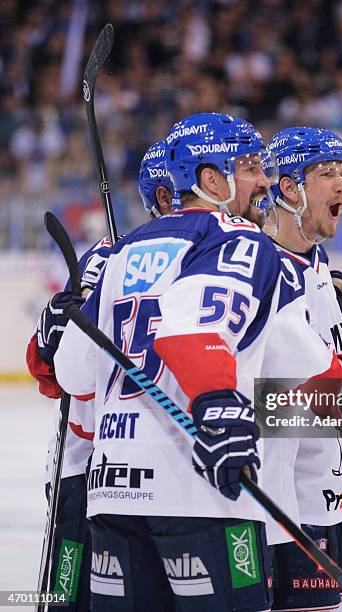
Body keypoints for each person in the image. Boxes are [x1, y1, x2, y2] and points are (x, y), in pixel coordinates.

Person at [53, 112, 283, 612]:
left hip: (113, 491)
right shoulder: (237, 237)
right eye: (249, 167)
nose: (264, 181)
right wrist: (220, 407)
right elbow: (190, 330)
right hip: (201, 491)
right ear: (210, 179)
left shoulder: (120, 252)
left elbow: (72, 371)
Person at [26, 139, 174, 611]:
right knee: (71, 601)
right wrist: (54, 325)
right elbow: (50, 372)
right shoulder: (110, 258)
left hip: (169, 474)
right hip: (89, 469)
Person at [266, 126, 342, 612]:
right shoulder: (261, 266)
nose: (340, 186)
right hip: (288, 504)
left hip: (330, 490)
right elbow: (259, 399)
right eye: (325, 173)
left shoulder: (315, 259)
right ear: (289, 188)